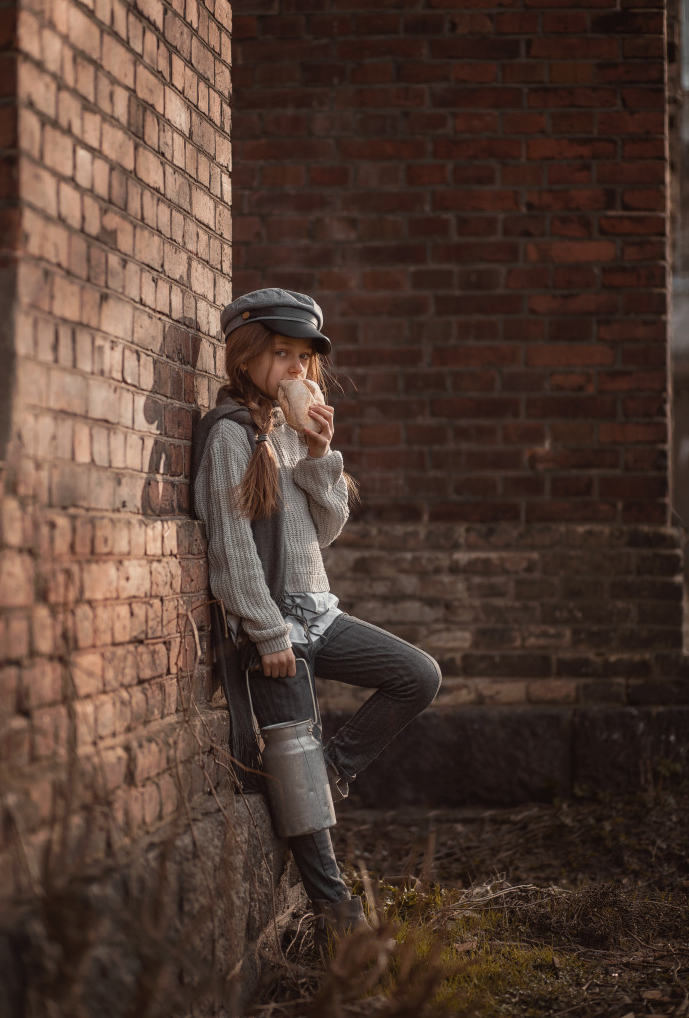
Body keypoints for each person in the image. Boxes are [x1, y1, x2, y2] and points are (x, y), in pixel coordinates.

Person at [191, 288, 441, 951]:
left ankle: (329, 769)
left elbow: (324, 531)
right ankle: (342, 928)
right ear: (246, 357)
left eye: (303, 358)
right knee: (299, 798)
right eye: (281, 354)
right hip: (273, 626)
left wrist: (323, 452)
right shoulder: (230, 434)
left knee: (416, 675)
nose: (296, 370)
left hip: (316, 612)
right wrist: (266, 633)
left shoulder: (289, 431)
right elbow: (230, 545)